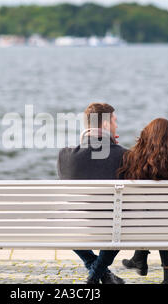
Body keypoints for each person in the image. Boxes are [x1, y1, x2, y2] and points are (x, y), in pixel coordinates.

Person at [117, 117, 168, 284]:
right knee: (166, 215)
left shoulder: (134, 159)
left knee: (151, 212)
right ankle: (167, 275)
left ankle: (140, 257)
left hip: (141, 224)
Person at [57, 102, 126, 284]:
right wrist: (113, 148)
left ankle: (96, 271)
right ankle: (95, 277)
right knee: (120, 222)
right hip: (113, 228)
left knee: (63, 218)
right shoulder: (124, 156)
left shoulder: (65, 156)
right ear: (105, 125)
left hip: (75, 227)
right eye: (114, 121)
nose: (116, 126)